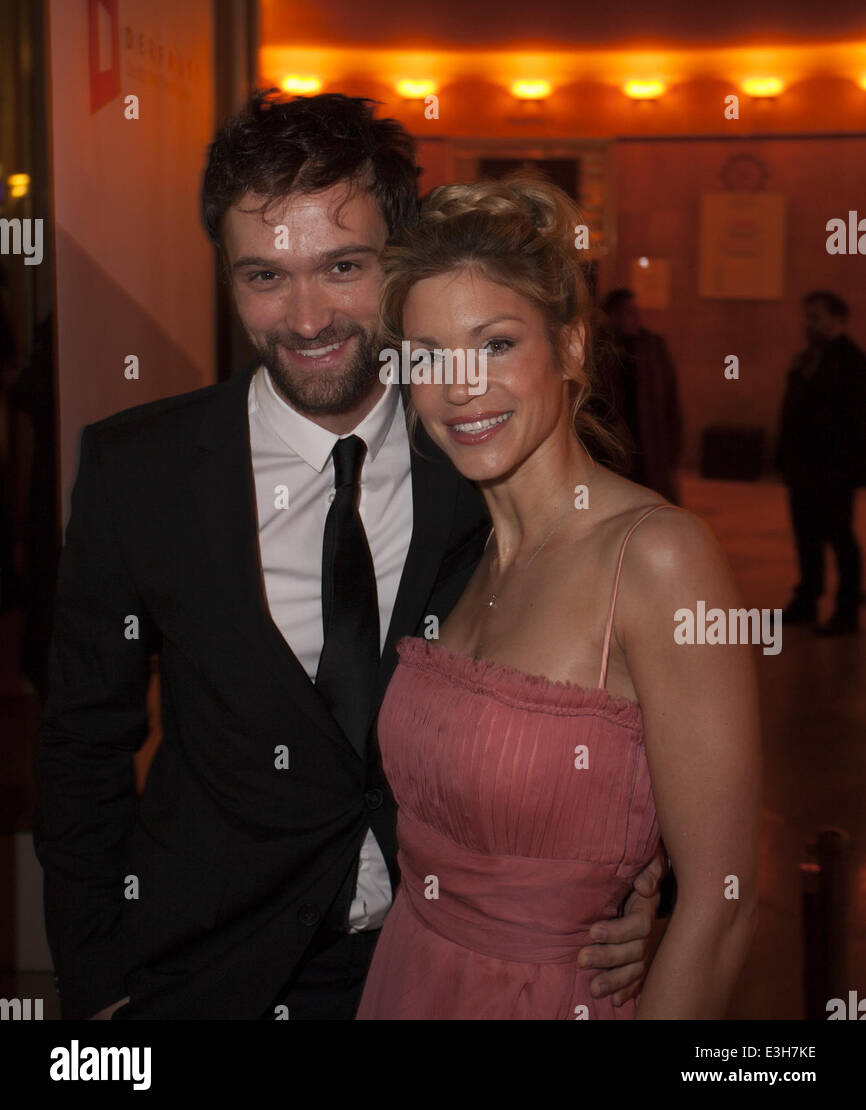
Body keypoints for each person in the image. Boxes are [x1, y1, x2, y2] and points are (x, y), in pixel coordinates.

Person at [34, 93, 664, 1021]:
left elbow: (622, 695)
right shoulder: (141, 472)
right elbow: (83, 746)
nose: (306, 316)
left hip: (434, 962)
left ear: (399, 262)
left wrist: (642, 881)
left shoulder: (484, 454)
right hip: (203, 971)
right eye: (264, 276)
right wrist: (97, 987)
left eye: (342, 267)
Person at [356, 177, 760, 1020]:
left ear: (571, 347)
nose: (459, 388)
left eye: (496, 343)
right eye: (427, 356)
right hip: (411, 978)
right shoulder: (462, 555)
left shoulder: (657, 560)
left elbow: (721, 906)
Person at [776, 290, 866, 636]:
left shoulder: (853, 362)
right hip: (804, 466)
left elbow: (854, 422)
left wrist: (845, 467)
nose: (808, 323)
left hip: (833, 469)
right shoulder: (807, 359)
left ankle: (846, 610)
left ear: (837, 319)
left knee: (839, 537)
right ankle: (807, 600)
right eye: (807, 315)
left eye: (816, 316)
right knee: (806, 535)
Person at [599, 288, 683, 504]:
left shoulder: (653, 346)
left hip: (650, 442)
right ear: (612, 316)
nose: (634, 317)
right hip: (617, 445)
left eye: (636, 311)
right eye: (627, 312)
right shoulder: (600, 349)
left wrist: (673, 445)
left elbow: (670, 398)